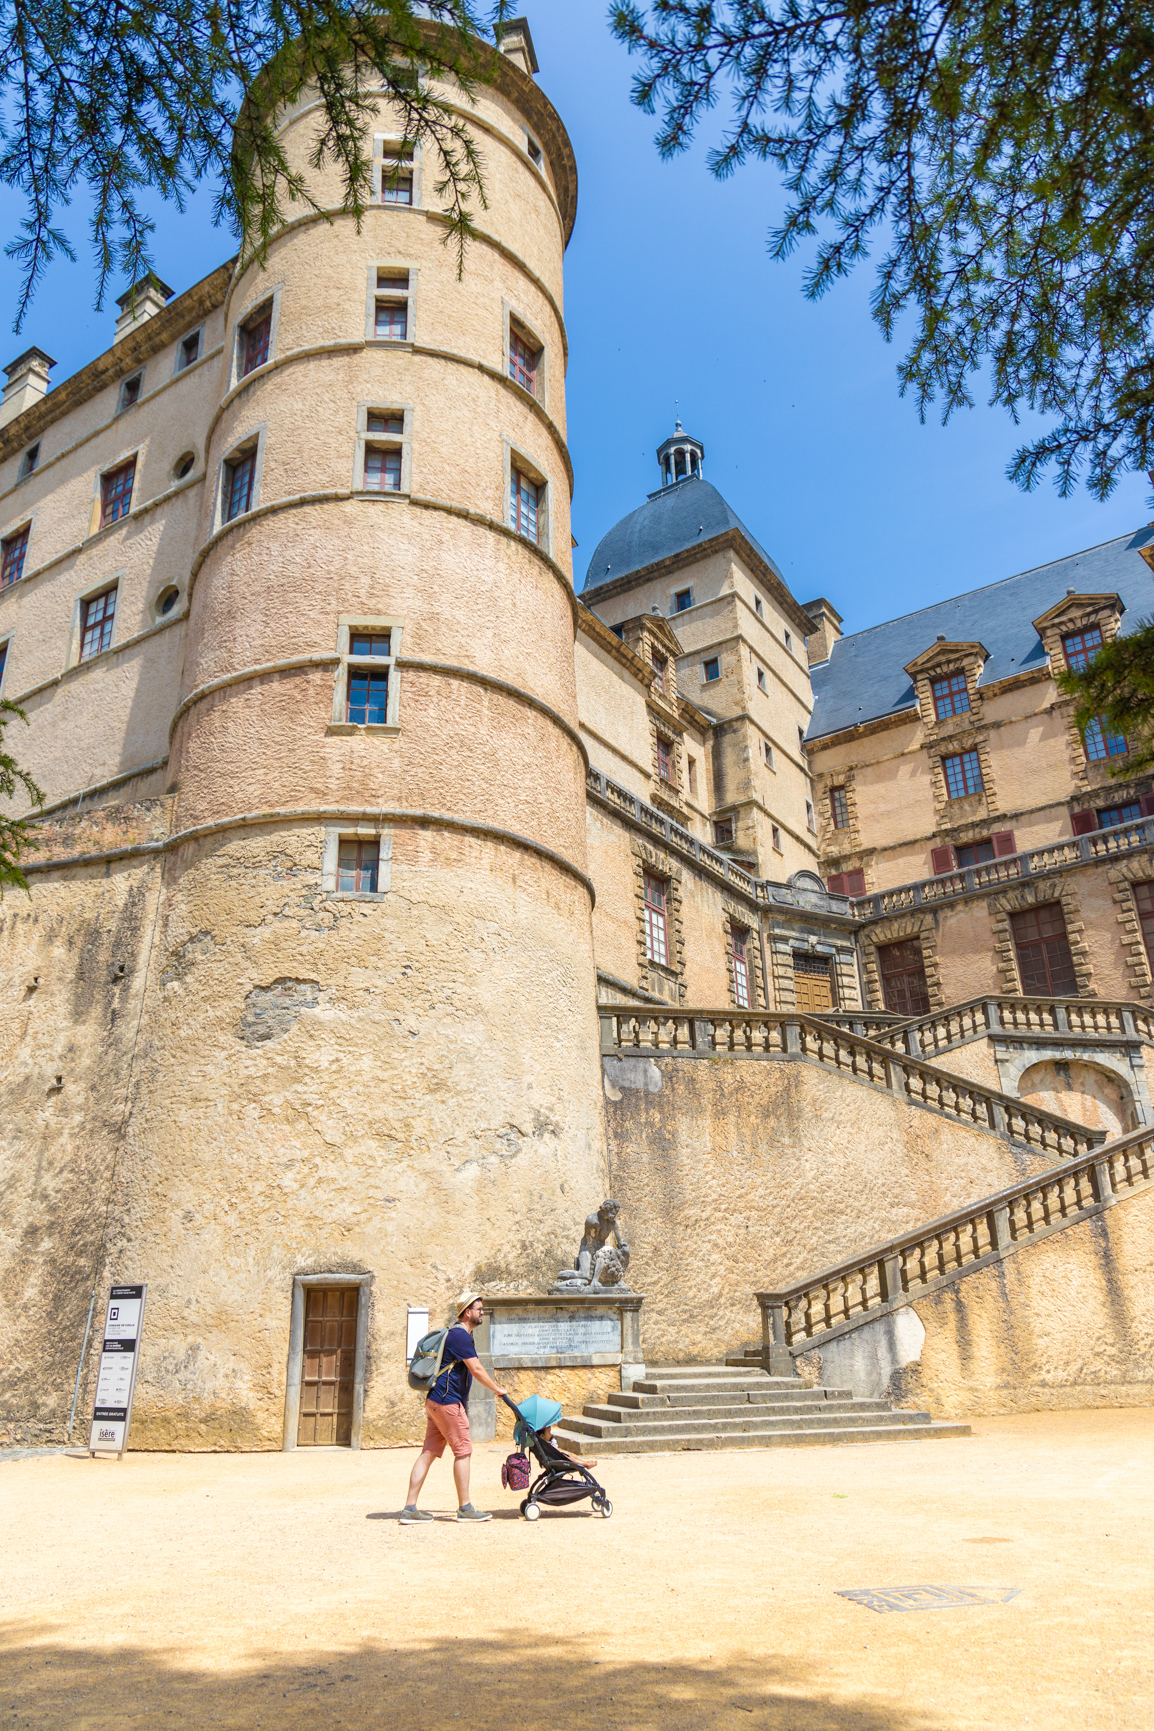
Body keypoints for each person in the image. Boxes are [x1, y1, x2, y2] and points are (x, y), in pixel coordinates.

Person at [401, 1291, 508, 1524]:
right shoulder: (460, 1336)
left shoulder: (457, 1334)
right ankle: (465, 1508)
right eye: (479, 1309)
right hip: (448, 1403)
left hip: (435, 1401)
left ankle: (410, 1508)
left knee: (428, 1452)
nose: (482, 1312)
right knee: (463, 1451)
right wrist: (497, 1389)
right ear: (468, 1312)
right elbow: (477, 1369)